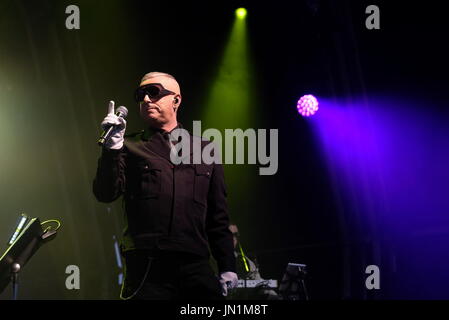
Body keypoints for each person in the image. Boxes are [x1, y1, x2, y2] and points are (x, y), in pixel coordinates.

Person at [93, 72, 237, 300]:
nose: (146, 100)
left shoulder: (205, 149)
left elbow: (218, 217)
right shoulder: (129, 146)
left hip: (195, 265)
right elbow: (105, 193)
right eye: (141, 95)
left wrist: (228, 265)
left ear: (176, 100)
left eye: (154, 92)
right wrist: (111, 150)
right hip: (147, 267)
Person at [228, 224, 280, 300]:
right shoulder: (208, 259)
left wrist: (271, 294)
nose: (233, 238)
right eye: (228, 234)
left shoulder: (245, 261)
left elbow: (258, 282)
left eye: (235, 235)